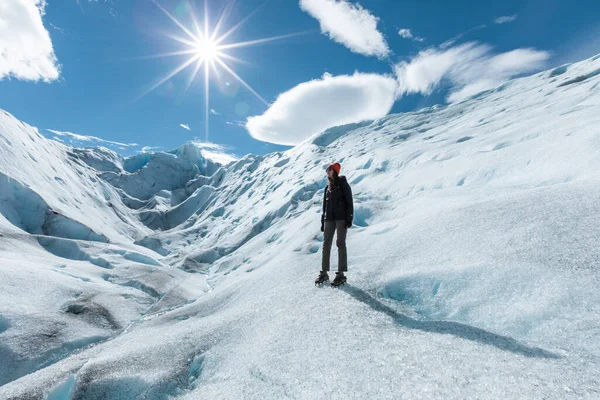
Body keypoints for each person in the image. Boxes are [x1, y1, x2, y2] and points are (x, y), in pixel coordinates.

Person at [315, 162, 353, 287]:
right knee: (326, 244)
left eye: (330, 169)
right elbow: (324, 207)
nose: (328, 172)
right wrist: (323, 221)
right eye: (327, 170)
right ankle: (324, 272)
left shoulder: (343, 184)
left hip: (341, 218)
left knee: (340, 243)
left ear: (335, 171)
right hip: (329, 219)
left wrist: (349, 218)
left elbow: (349, 201)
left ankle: (341, 274)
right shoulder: (327, 188)